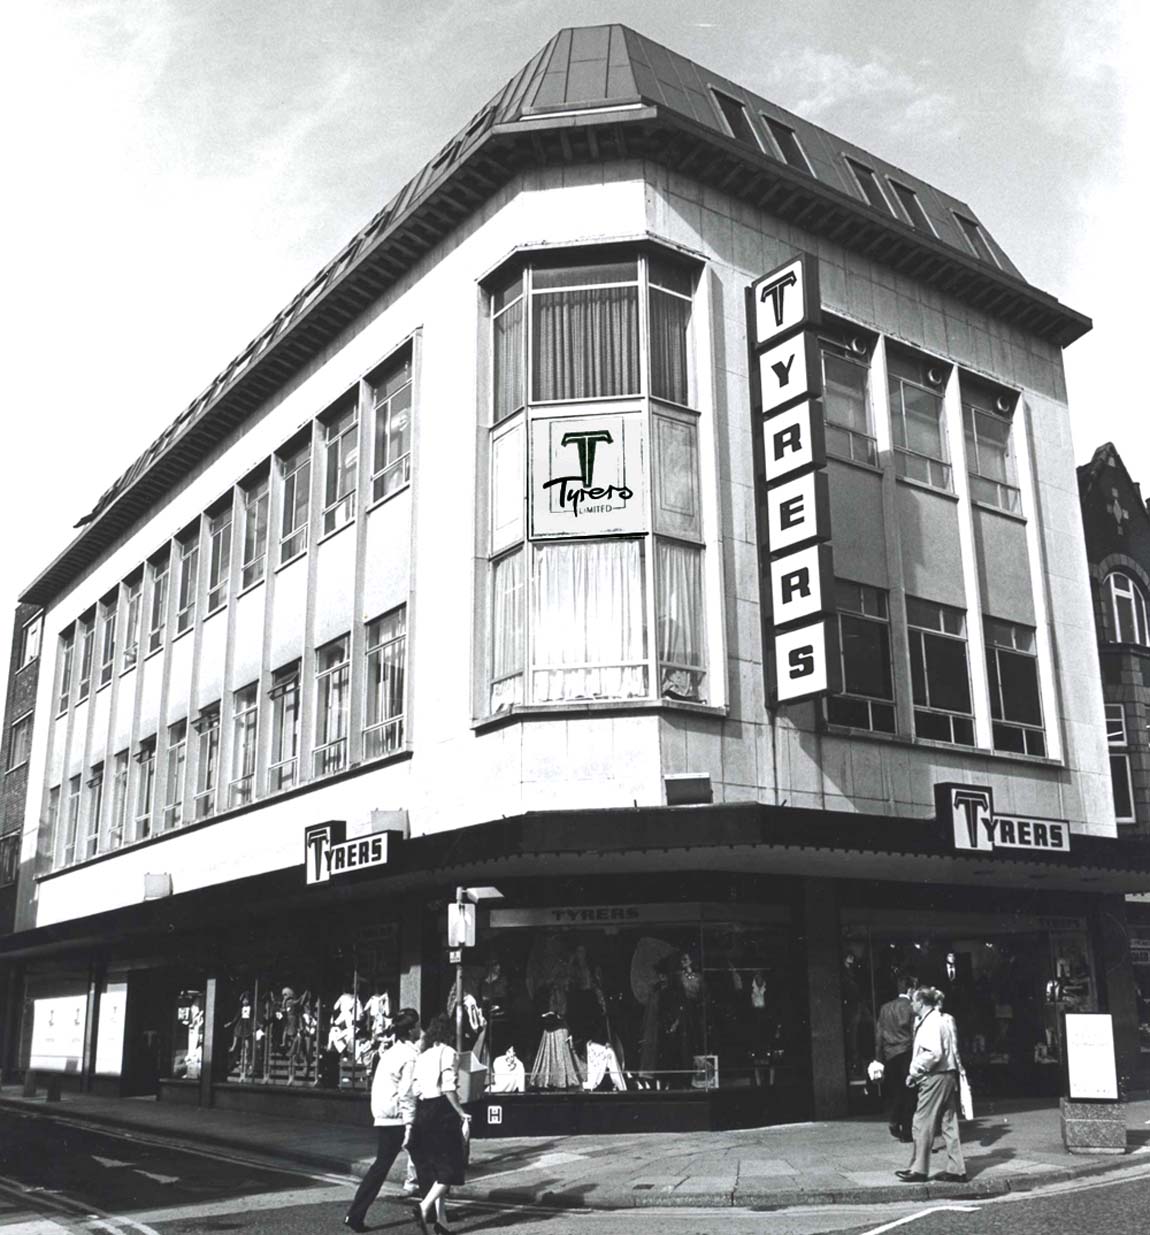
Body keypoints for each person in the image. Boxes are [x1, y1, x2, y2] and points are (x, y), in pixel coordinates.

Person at [344, 1008, 422, 1232]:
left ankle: (355, 1215)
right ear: (411, 1030)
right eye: (417, 1025)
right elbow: (407, 1092)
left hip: (384, 1114)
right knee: (423, 1163)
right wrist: (410, 1123)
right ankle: (432, 1212)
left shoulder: (390, 1052)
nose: (420, 1028)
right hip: (398, 1117)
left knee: (384, 1166)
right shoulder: (409, 1055)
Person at [896, 987, 967, 1184]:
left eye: (914, 1002)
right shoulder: (940, 1019)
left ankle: (919, 1169)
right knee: (948, 1123)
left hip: (935, 1076)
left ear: (922, 1003)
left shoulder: (931, 1022)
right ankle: (957, 1169)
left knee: (921, 1122)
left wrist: (914, 1071)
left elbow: (933, 1053)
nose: (911, 1005)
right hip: (947, 1075)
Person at [408, 1013, 470, 1235]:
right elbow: (448, 1087)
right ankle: (424, 1207)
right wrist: (462, 1112)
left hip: (422, 1111)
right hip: (441, 1112)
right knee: (452, 1168)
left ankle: (441, 1223)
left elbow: (415, 1089)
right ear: (449, 1033)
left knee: (436, 1169)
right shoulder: (448, 1052)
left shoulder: (423, 1055)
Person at [874, 971, 918, 1143]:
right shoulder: (912, 1008)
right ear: (909, 989)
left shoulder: (885, 1008)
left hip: (890, 1054)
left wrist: (878, 1058)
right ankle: (906, 1130)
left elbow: (879, 1035)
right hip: (907, 1052)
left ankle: (893, 1119)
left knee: (895, 1090)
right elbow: (915, 1033)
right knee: (909, 1092)